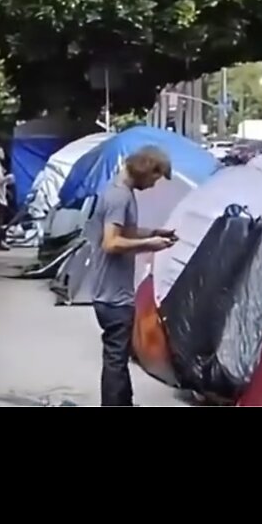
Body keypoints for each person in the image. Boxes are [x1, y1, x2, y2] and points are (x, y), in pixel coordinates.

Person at [88, 146, 177, 407]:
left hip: (110, 293)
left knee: (118, 356)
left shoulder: (120, 192)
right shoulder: (119, 197)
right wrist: (151, 245)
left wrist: (154, 232)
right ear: (145, 168)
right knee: (116, 360)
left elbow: (125, 231)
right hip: (114, 296)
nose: (152, 185)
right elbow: (111, 243)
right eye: (154, 178)